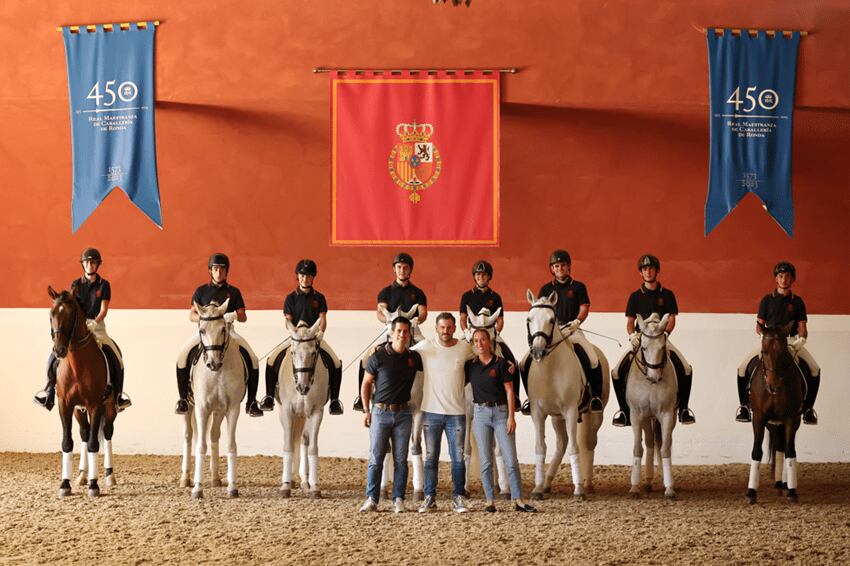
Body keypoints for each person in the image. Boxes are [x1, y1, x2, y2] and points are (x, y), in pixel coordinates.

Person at [35, 248, 131, 411]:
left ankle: (118, 396)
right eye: (87, 262)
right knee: (51, 358)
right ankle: (50, 392)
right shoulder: (76, 284)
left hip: (97, 327)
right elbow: (71, 308)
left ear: (97, 265)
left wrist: (95, 322)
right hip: (78, 328)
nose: (89, 265)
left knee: (117, 357)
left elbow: (103, 309)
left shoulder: (104, 285)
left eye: (93, 262)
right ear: (83, 265)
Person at [611, 254, 695, 427]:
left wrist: (666, 334)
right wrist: (632, 336)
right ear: (641, 273)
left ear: (657, 271)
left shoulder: (667, 294)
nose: (648, 272)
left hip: (660, 340)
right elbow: (629, 322)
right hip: (641, 340)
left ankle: (684, 409)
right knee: (617, 371)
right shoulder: (635, 296)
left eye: (651, 269)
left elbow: (671, 318)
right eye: (644, 269)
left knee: (685, 368)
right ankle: (623, 411)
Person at [174, 253, 263, 417]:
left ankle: (251, 402)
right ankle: (183, 399)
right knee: (182, 356)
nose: (219, 272)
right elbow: (191, 315)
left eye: (222, 269)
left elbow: (243, 316)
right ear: (210, 271)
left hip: (228, 332)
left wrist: (234, 316)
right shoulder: (201, 291)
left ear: (226, 271)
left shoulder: (234, 292)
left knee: (253, 359)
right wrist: (202, 318)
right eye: (215, 269)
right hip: (206, 335)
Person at [735, 261, 820, 425]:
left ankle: (808, 409)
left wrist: (801, 340)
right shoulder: (767, 300)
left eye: (787, 276)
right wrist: (764, 337)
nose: (784, 279)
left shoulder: (798, 302)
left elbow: (802, 327)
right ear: (776, 279)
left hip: (790, 342)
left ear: (792, 279)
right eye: (780, 276)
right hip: (769, 342)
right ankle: (744, 406)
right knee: (742, 368)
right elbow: (759, 325)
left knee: (815, 369)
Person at [522, 250, 603, 415]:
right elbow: (540, 311)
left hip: (572, 330)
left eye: (562, 265)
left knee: (593, 359)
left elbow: (584, 307)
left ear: (568, 267)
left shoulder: (578, 287)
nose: (559, 268)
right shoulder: (546, 288)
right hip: (551, 333)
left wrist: (577, 322)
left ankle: (595, 396)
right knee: (524, 363)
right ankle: (530, 399)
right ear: (552, 268)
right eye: (556, 266)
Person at [260, 259, 344, 415]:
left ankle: (334, 401)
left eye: (309, 276)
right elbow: (288, 320)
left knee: (336, 363)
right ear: (297, 277)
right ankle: (269, 396)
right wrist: (293, 332)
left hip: (313, 338)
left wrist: (321, 332)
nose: (305, 279)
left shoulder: (319, 297)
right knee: (272, 359)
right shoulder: (290, 298)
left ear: (313, 278)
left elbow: (322, 318)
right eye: (302, 276)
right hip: (296, 338)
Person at [466, 328, 536, 513]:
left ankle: (518, 500)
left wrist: (511, 416)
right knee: (486, 461)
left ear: (490, 342)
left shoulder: (503, 364)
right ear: (473, 344)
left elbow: (509, 392)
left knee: (511, 459)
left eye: (483, 340)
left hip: (501, 413)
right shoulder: (470, 366)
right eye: (476, 341)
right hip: (480, 415)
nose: (480, 344)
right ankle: (490, 501)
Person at [358, 317, 423, 513]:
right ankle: (372, 498)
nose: (402, 335)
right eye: (399, 331)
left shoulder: (415, 358)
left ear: (410, 334)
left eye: (406, 331)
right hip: (380, 412)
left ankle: (398, 499)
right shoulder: (378, 356)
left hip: (403, 413)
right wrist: (366, 410)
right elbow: (366, 384)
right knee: (376, 458)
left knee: (401, 460)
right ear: (391, 333)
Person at [410, 313, 474, 513]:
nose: (445, 331)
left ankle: (458, 498)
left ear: (454, 328)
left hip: (457, 413)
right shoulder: (426, 347)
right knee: (431, 458)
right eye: (442, 327)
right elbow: (402, 351)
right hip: (431, 413)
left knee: (458, 458)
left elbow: (482, 356)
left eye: (449, 327)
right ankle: (430, 497)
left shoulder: (464, 348)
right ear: (436, 328)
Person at [353, 252, 427, 412]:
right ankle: (361, 398)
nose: (402, 270)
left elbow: (423, 312)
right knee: (366, 359)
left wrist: (417, 320)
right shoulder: (386, 292)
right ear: (394, 269)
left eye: (405, 267)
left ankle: (430, 394)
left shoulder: (418, 292)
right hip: (390, 328)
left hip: (412, 329)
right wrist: (387, 321)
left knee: (429, 355)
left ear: (410, 270)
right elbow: (380, 312)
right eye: (399, 267)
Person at [459, 260, 522, 413]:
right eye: (478, 274)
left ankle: (516, 396)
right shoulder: (467, 296)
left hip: (491, 334)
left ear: (489, 277)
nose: (481, 277)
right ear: (474, 277)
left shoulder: (495, 297)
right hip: (471, 334)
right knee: (457, 359)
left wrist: (496, 332)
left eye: (484, 274)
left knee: (511, 359)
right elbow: (462, 318)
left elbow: (500, 320)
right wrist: (466, 331)